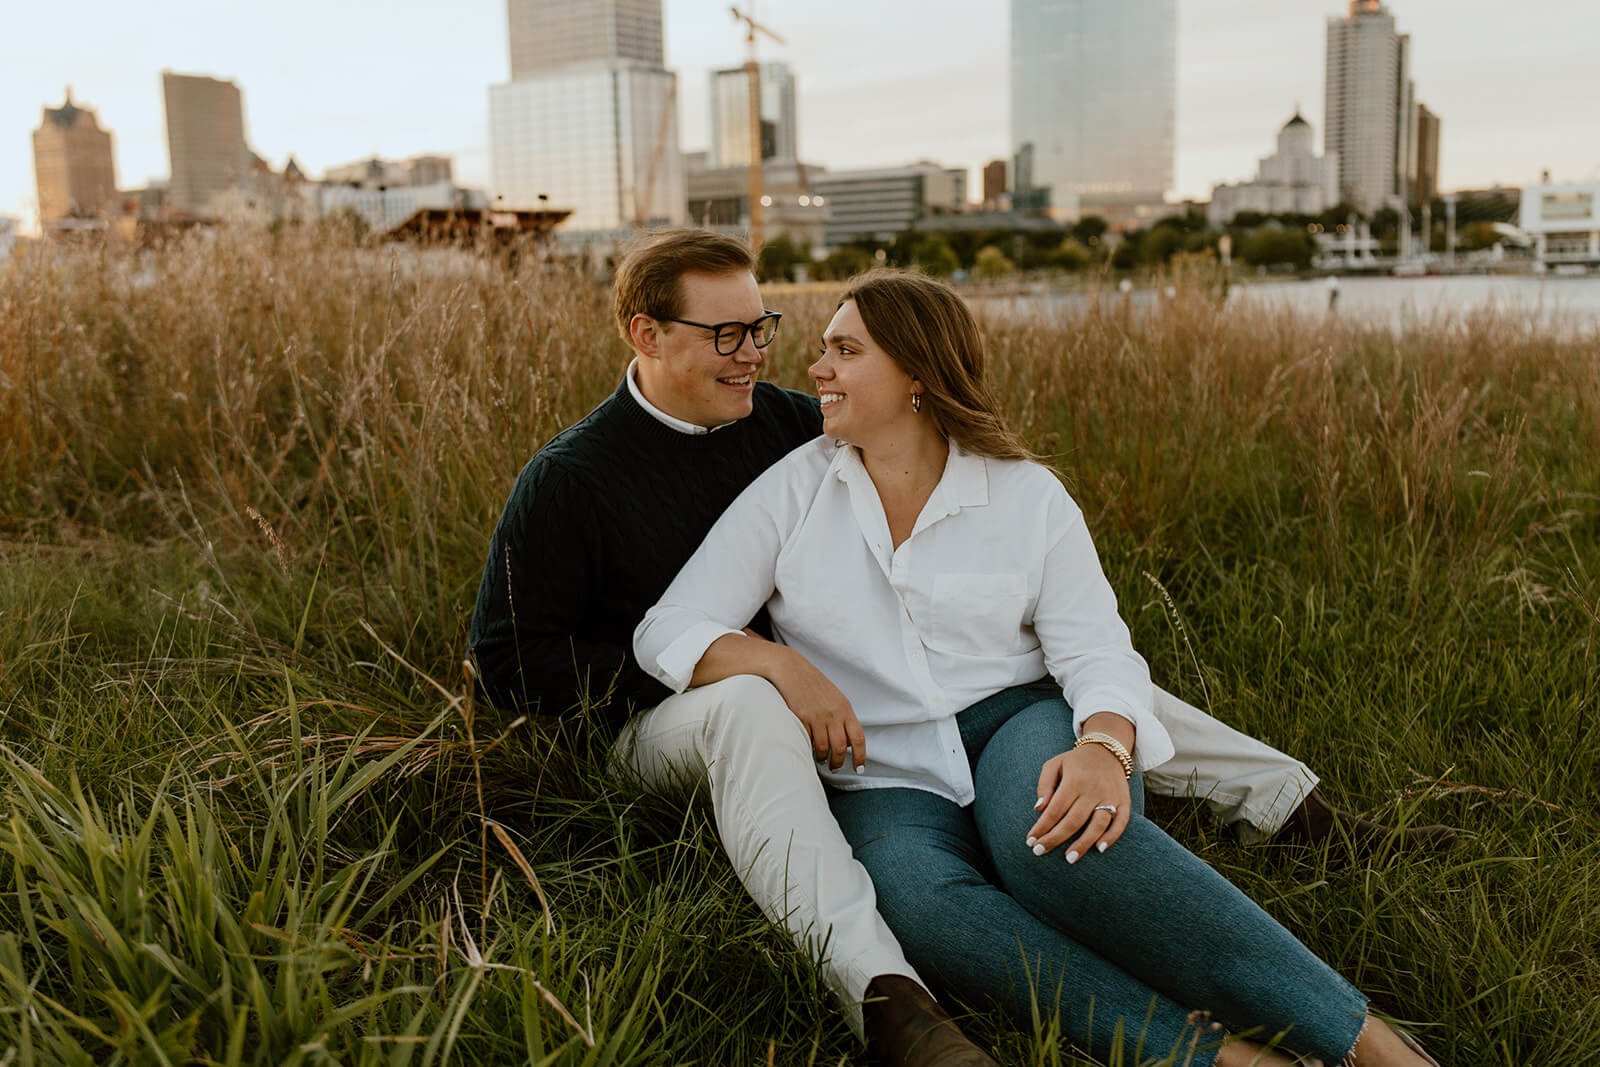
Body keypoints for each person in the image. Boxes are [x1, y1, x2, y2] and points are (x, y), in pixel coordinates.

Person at [469, 230, 1445, 1065]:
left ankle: (1288, 810)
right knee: (761, 713)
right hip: (663, 724)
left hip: (873, 707)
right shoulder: (571, 478)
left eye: (764, 329)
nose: (755, 354)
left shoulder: (789, 425)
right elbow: (514, 665)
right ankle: (892, 999)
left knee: (1015, 652)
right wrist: (761, 657)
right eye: (726, 334)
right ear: (646, 333)